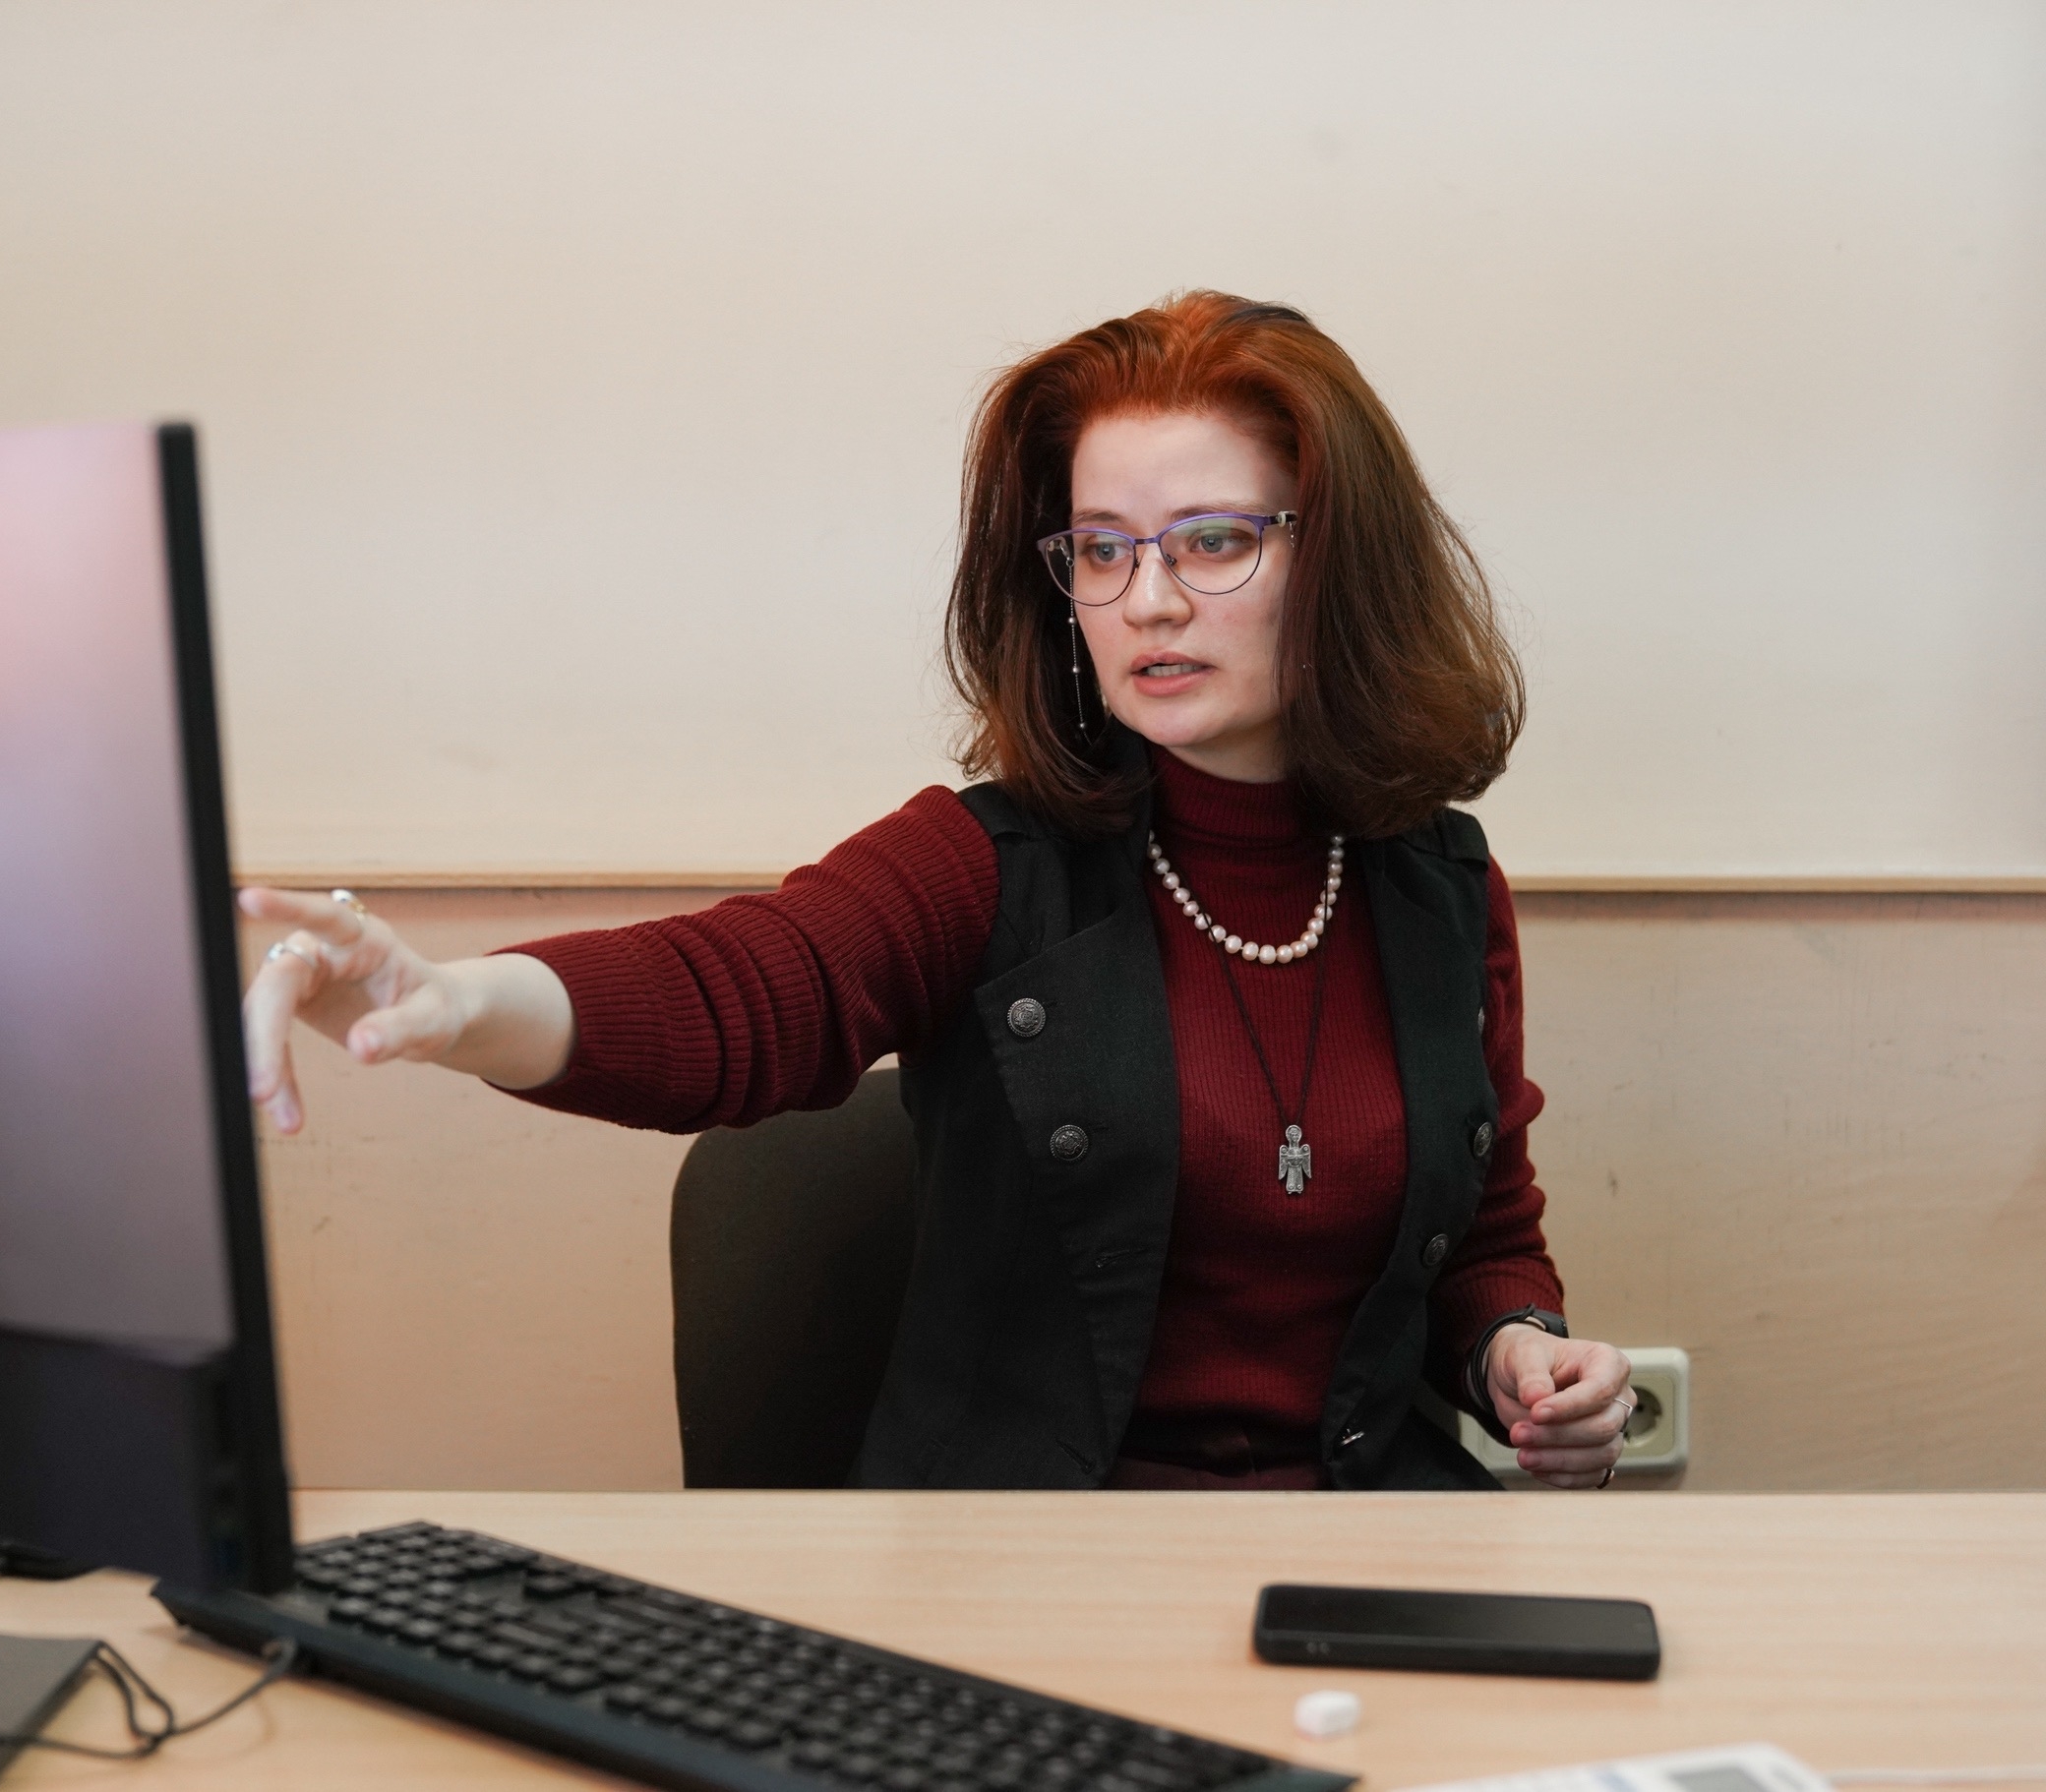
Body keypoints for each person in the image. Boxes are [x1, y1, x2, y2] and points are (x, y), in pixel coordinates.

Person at [241, 291, 1635, 1493]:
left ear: (1336, 557)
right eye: (1103, 549)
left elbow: (1482, 1230)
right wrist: (453, 1000)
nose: (1148, 600)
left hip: (1359, 1555)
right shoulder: (990, 861)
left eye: (1212, 540)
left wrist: (1519, 1352)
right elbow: (741, 992)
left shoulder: (1442, 885)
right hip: (1026, 1560)